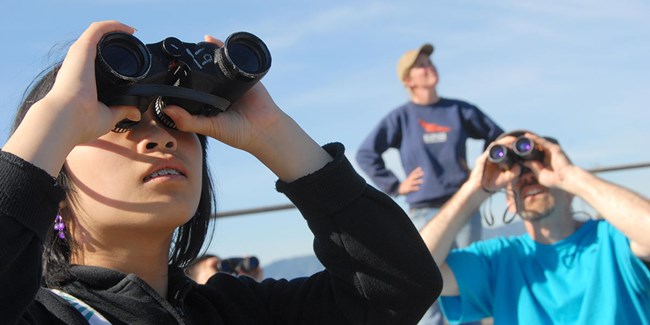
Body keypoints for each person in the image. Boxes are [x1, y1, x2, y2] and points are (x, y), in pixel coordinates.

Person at [0, 21, 441, 324]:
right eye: (121, 124)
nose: (161, 140)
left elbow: (397, 285)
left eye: (175, 123)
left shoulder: (240, 311)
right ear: (52, 172)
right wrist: (54, 116)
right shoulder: (38, 314)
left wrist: (271, 132)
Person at [419, 130, 650, 324]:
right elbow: (417, 271)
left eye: (538, 169)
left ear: (568, 189)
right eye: (516, 177)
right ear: (509, 202)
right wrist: (474, 189)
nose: (528, 178)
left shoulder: (613, 240)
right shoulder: (498, 259)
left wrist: (570, 176)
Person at [355, 43, 503, 325]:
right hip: (424, 212)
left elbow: (497, 137)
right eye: (421, 65)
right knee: (425, 287)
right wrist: (396, 186)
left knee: (466, 284)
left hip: (465, 208)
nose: (429, 67)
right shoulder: (400, 117)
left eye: (429, 62)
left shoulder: (459, 110)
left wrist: (482, 172)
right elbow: (366, 153)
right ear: (408, 80)